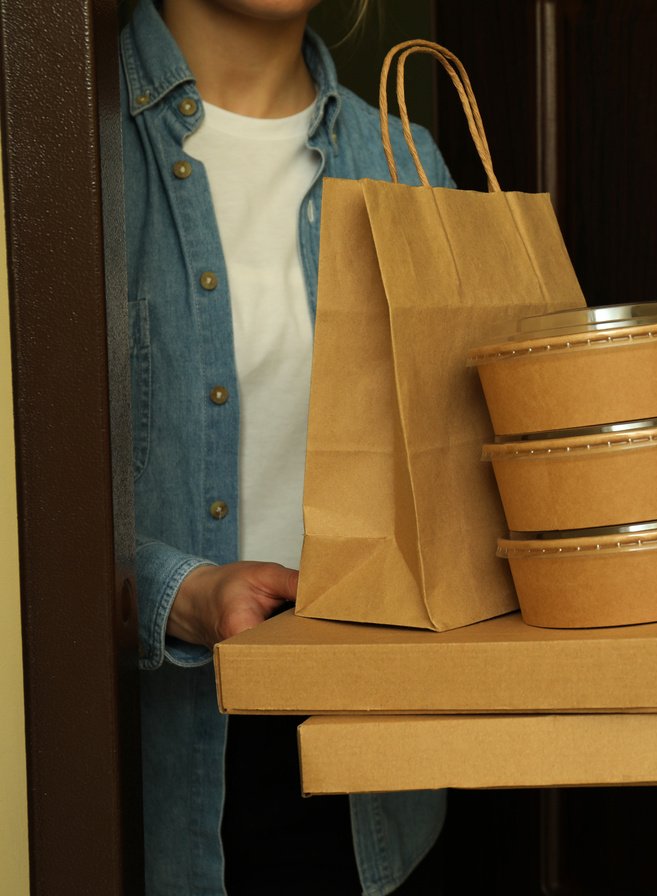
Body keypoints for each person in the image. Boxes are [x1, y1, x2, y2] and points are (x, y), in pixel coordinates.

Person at [122, 0, 451, 891]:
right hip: (161, 772)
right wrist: (177, 593)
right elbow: (27, 504)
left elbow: (460, 474)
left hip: (374, 769)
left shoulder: (407, 161)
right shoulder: (71, 152)